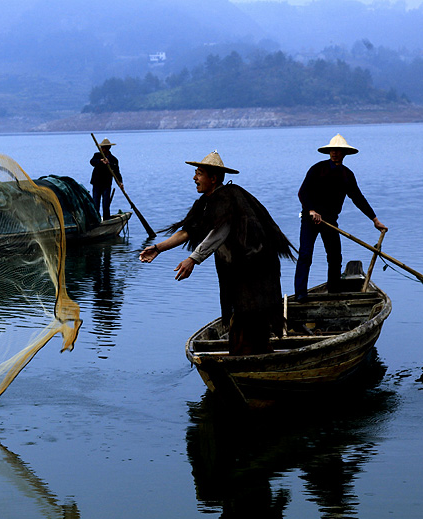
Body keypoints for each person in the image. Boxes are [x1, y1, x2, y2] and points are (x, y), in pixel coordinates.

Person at [139, 151, 293, 356]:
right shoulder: (205, 202)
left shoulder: (228, 197)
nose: (194, 178)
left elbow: (219, 232)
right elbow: (187, 231)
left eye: (199, 174)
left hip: (255, 266)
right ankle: (248, 356)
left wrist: (193, 259)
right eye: (196, 173)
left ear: (213, 178)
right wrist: (158, 248)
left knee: (252, 313)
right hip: (238, 268)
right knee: (241, 313)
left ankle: (254, 356)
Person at [295, 133, 388, 299]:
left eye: (337, 150)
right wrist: (311, 210)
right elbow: (303, 192)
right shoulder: (317, 168)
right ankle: (301, 294)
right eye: (332, 150)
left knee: (335, 257)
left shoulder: (347, 175)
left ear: (344, 153)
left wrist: (374, 220)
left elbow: (358, 198)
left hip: (330, 221)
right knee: (305, 255)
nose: (334, 153)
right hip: (310, 219)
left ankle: (334, 293)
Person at [90, 138, 122, 219]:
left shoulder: (113, 160)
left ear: (106, 148)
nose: (101, 149)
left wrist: (120, 182)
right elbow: (92, 162)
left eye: (103, 148)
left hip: (106, 184)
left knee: (106, 204)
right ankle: (95, 220)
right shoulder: (97, 155)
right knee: (95, 203)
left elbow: (116, 172)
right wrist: (101, 161)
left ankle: (106, 219)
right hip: (97, 183)